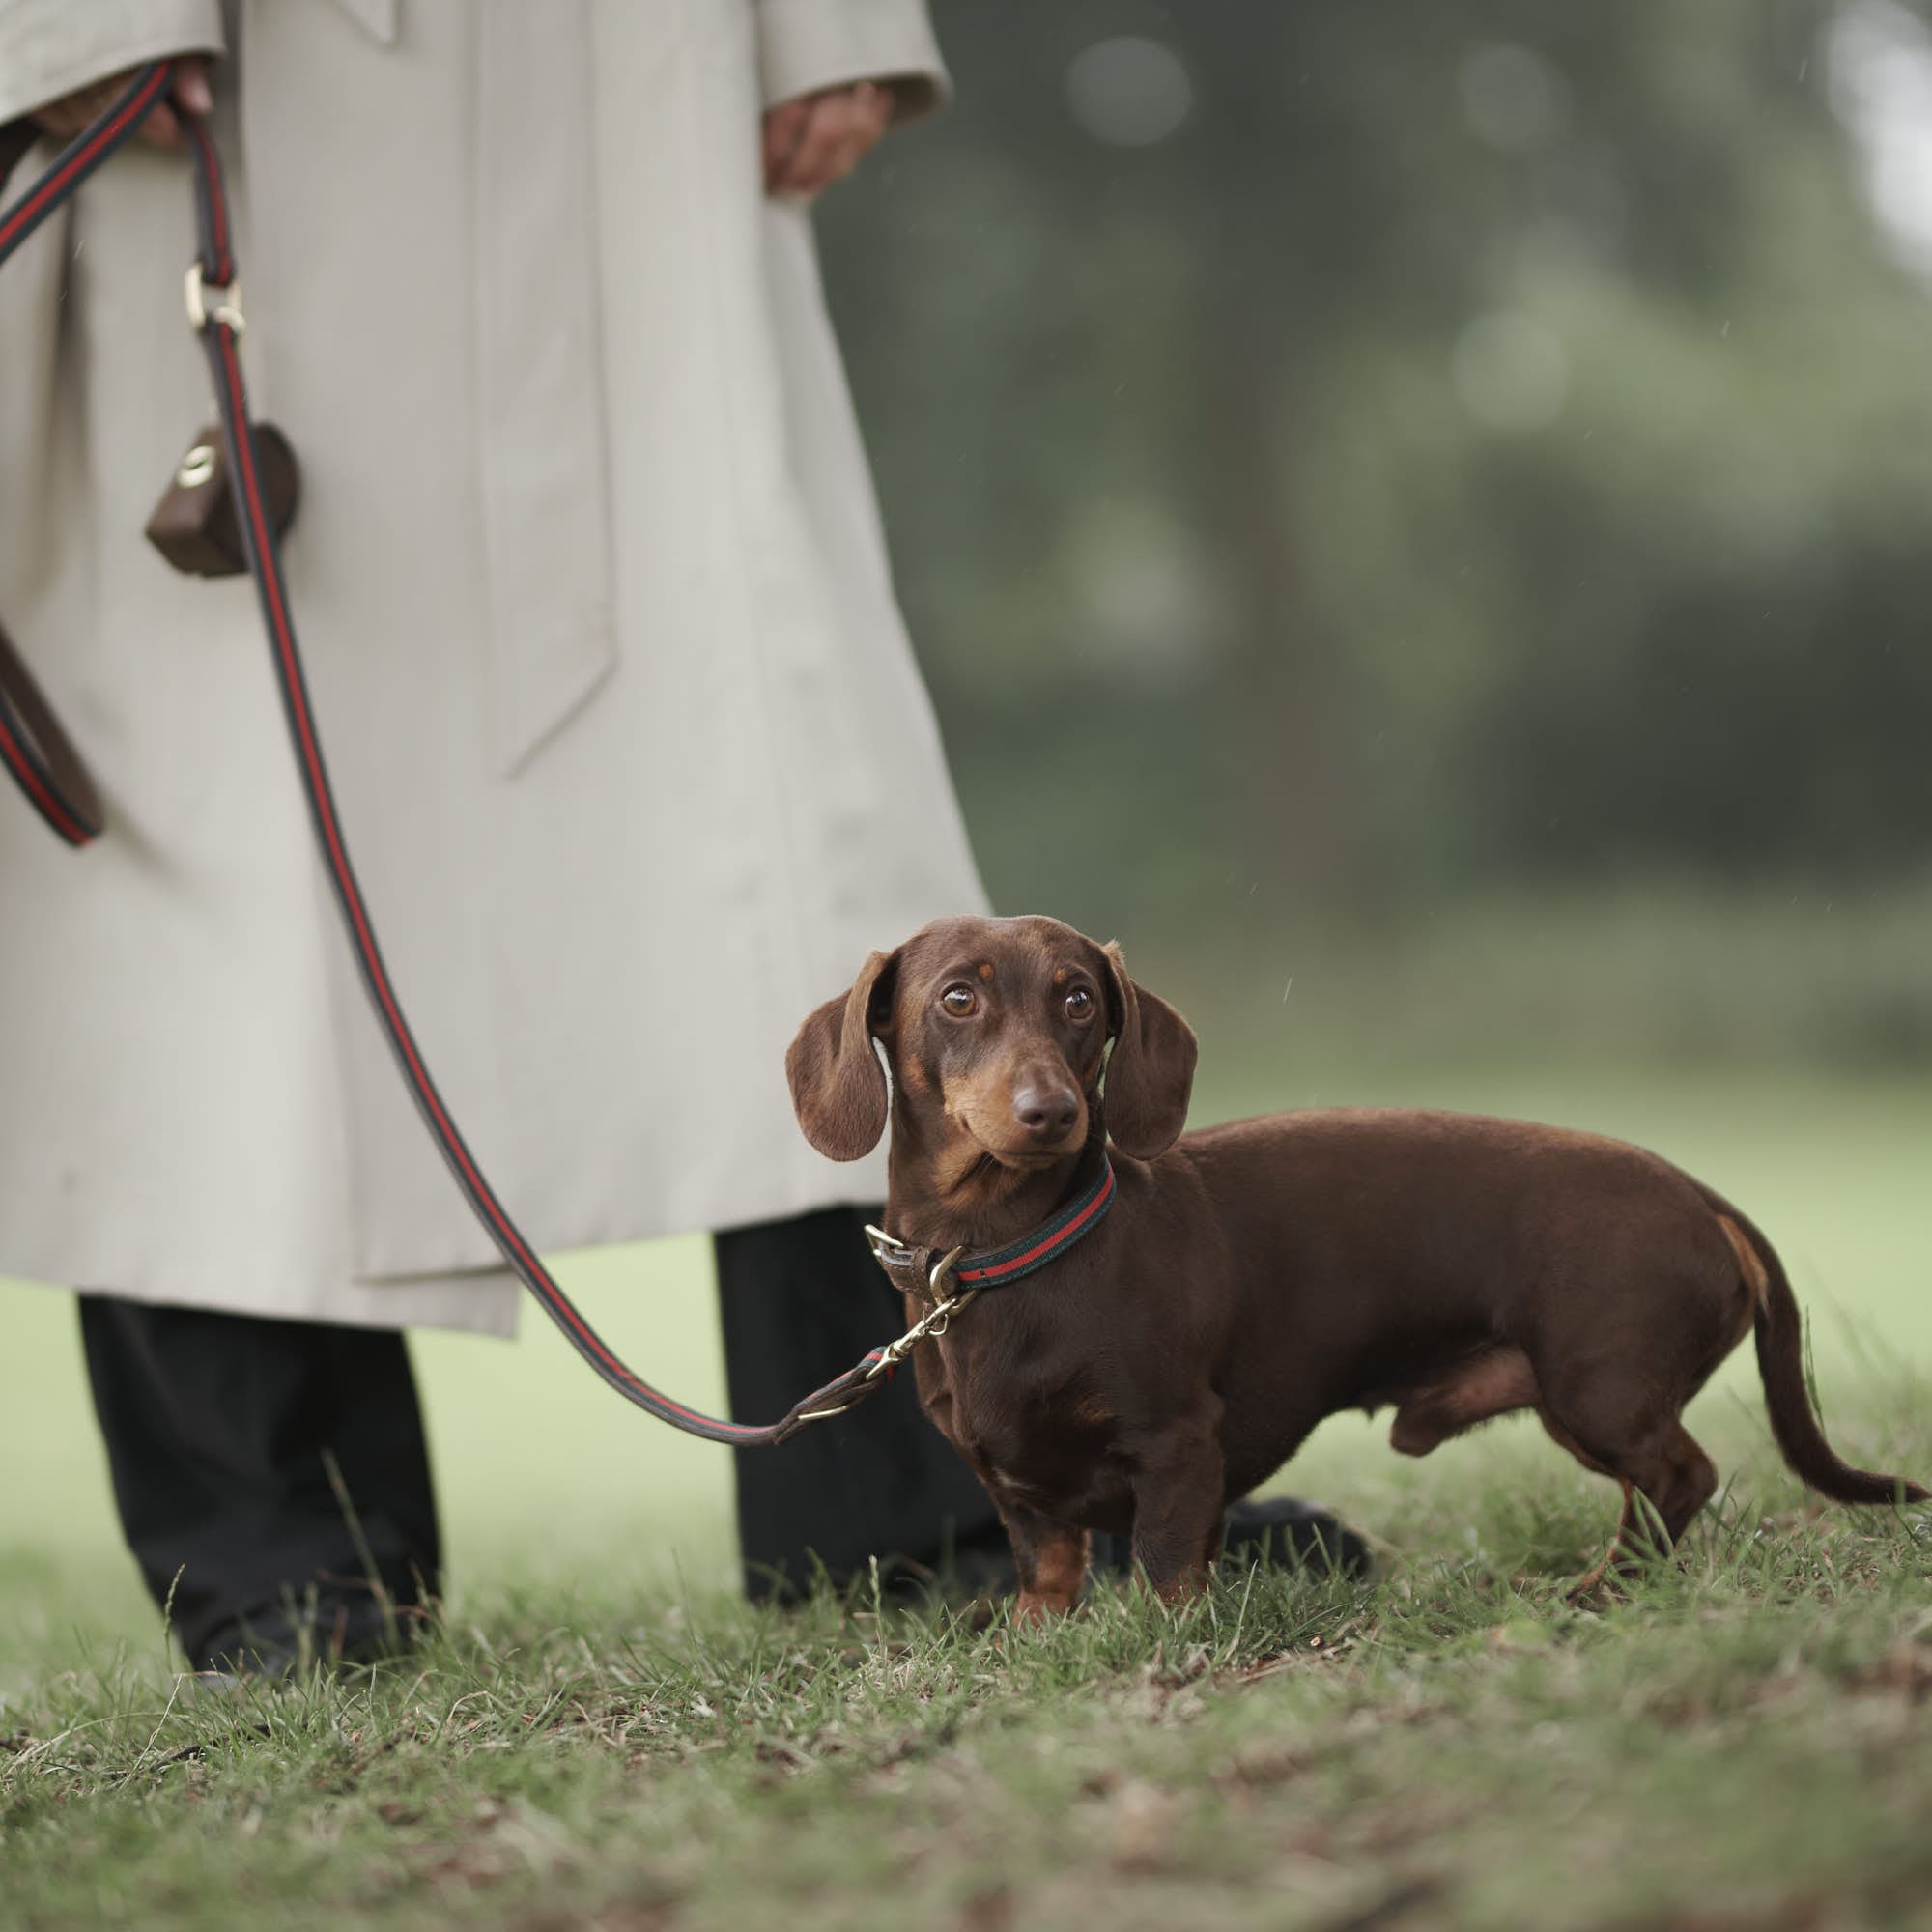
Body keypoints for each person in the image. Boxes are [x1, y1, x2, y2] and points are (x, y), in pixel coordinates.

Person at [0, 1, 1359, 1674]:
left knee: (794, 824)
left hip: (635, 82)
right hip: (243, 84)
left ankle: (927, 1498)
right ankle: (286, 1563)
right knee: (226, 866)